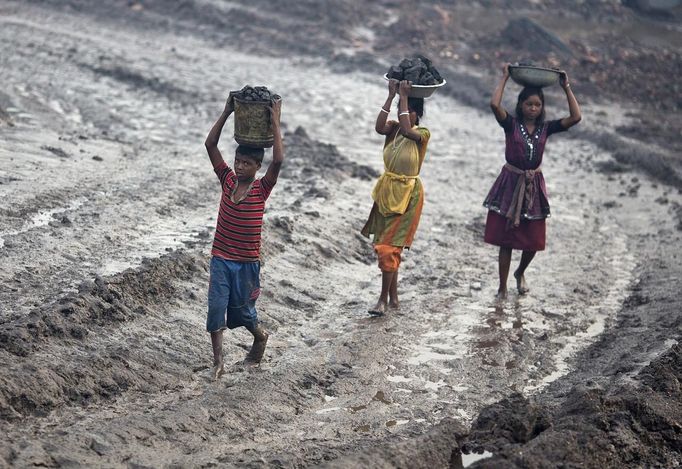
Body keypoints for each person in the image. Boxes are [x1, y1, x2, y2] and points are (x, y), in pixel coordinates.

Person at [484, 64, 581, 299]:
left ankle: (520, 272)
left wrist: (566, 87)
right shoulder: (511, 124)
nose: (533, 108)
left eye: (537, 105)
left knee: (533, 240)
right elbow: (495, 105)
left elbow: (576, 117)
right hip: (510, 182)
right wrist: (505, 77)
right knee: (506, 240)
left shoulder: (547, 129)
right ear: (521, 105)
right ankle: (502, 287)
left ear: (542, 107)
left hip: (533, 185)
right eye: (529, 104)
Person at [204, 95, 283, 379]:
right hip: (221, 259)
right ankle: (218, 363)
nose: (239, 167)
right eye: (238, 161)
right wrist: (227, 112)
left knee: (243, 311)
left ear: (257, 167)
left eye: (246, 163)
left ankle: (259, 336)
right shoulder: (226, 181)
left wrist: (275, 121)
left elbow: (279, 160)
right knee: (216, 307)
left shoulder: (262, 190)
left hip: (247, 262)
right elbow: (210, 145)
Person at [361, 79, 431, 315]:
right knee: (390, 247)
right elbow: (379, 127)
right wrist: (391, 96)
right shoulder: (393, 130)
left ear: (417, 114)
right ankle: (394, 298)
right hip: (388, 190)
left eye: (409, 108)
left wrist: (404, 96)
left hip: (408, 196)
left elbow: (408, 128)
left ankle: (382, 300)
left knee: (387, 248)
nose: (404, 112)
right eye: (404, 108)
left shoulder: (420, 134)